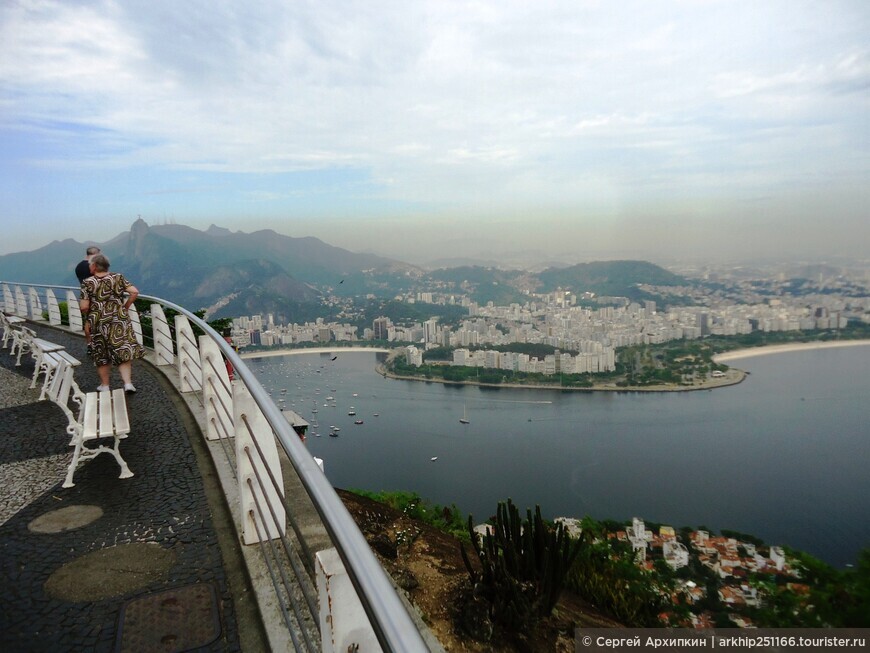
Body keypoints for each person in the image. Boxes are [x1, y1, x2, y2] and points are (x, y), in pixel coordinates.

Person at [79, 254, 145, 393]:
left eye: (90, 265)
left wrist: (90, 312)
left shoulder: (88, 282)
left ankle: (105, 385)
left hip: (99, 321)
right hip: (118, 319)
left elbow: (84, 306)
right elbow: (134, 292)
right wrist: (124, 307)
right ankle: (127, 384)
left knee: (102, 353)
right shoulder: (118, 277)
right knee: (122, 349)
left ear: (95, 266)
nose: (90, 267)